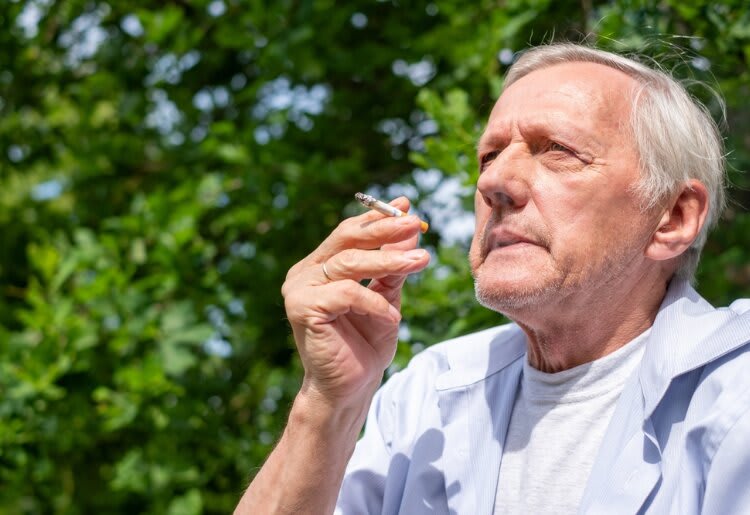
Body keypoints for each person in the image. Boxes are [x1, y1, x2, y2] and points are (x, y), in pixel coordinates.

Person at [234, 43, 750, 514]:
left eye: (558, 150)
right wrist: (328, 405)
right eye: (490, 155)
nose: (494, 182)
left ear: (674, 217)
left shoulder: (735, 390)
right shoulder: (428, 394)